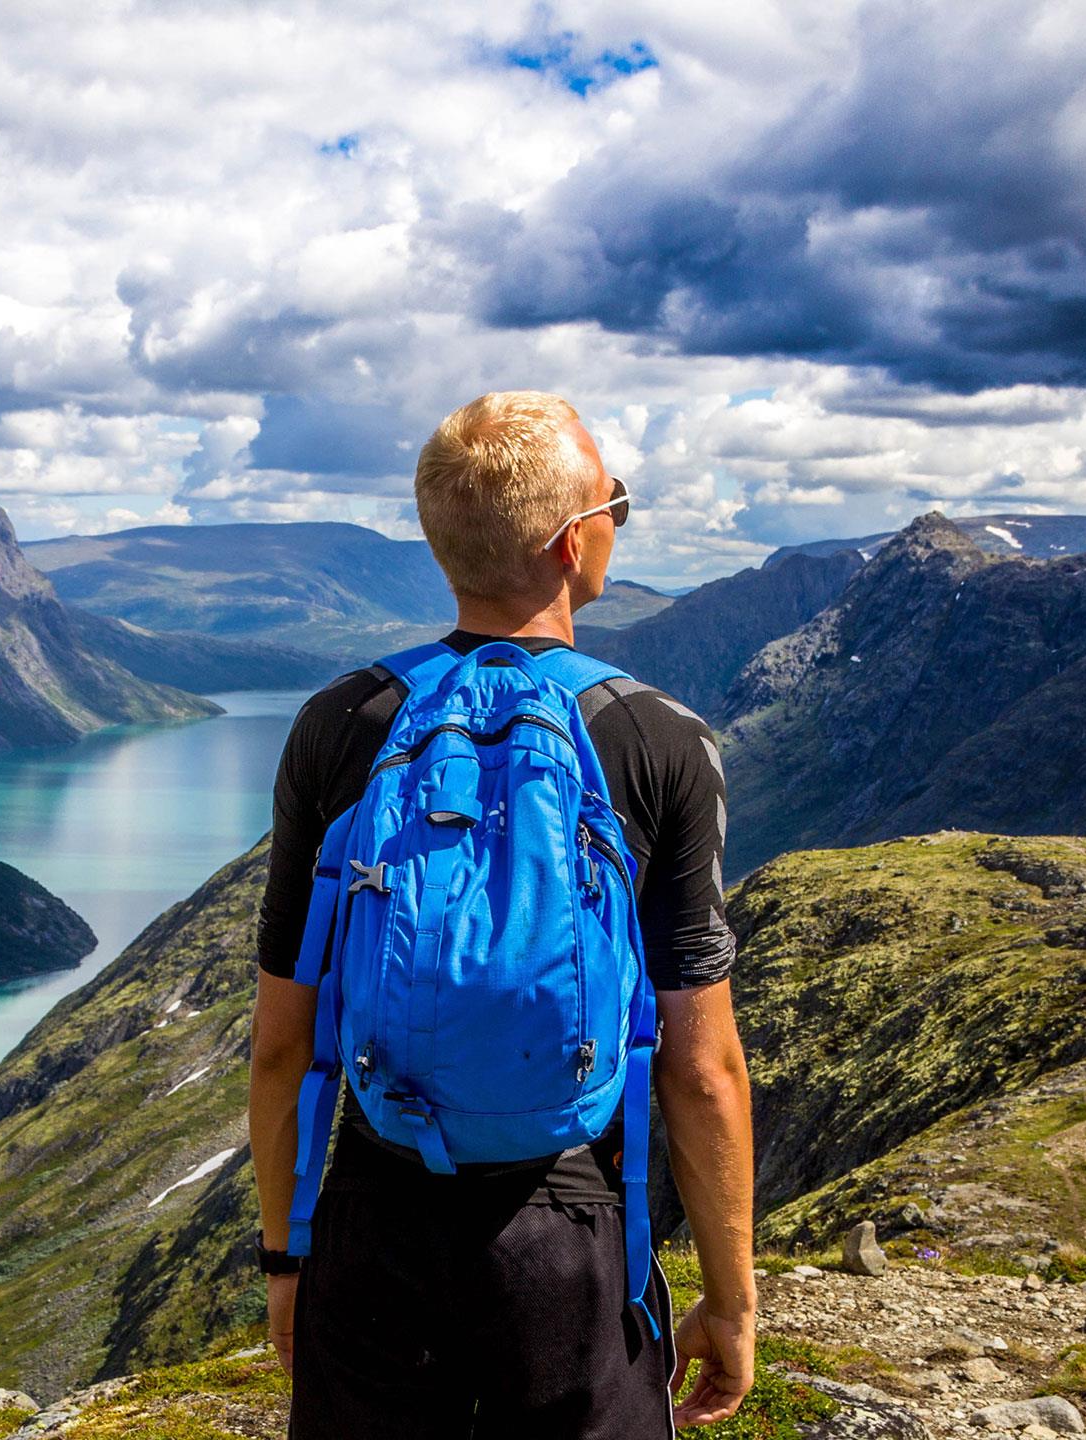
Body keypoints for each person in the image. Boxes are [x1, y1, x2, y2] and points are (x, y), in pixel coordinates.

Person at [247, 391, 757, 1436]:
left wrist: (288, 1258)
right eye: (617, 500)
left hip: (376, 1212)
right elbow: (700, 1066)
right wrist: (731, 1300)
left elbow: (283, 1045)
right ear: (576, 542)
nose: (619, 517)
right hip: (571, 1229)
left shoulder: (343, 723)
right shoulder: (656, 738)